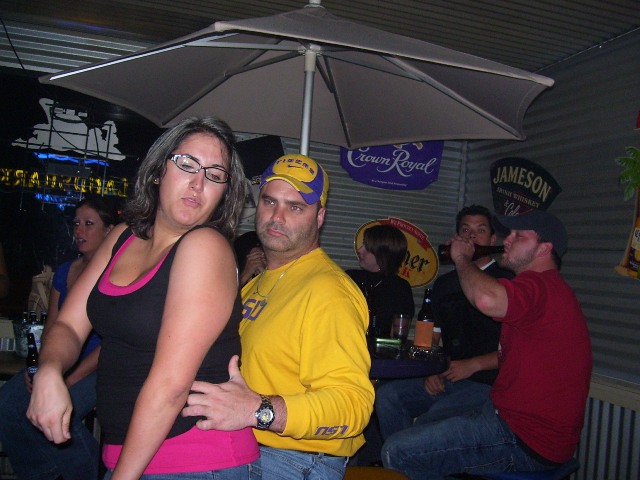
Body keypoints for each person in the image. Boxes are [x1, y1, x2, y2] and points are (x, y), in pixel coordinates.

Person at [27, 116, 260, 479]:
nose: (198, 183)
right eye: (187, 164)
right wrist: (49, 371)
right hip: (130, 455)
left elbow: (170, 386)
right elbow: (69, 325)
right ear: (157, 171)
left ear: (224, 193)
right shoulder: (122, 237)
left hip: (194, 459)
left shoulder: (205, 247)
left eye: (215, 175)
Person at [182, 153, 375, 480]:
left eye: (295, 207)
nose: (277, 216)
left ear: (319, 217)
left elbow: (352, 406)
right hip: (242, 444)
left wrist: (257, 410)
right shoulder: (255, 284)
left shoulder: (329, 291)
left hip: (295, 460)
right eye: (269, 201)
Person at [382, 209, 592, 479]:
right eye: (509, 233)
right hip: (505, 417)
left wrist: (461, 258)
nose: (507, 240)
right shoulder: (543, 289)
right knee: (395, 405)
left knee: (399, 451)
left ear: (544, 248)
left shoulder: (541, 286)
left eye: (518, 235)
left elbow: (486, 300)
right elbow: (511, 355)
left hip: (525, 439)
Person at [0, 196, 116, 480]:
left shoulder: (117, 275)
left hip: (99, 367)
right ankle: (41, 474)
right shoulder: (64, 271)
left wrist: (68, 379)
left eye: (89, 224)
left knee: (64, 412)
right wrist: (40, 370)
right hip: (60, 361)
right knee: (8, 403)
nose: (79, 231)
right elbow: (53, 328)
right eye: (76, 223)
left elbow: (111, 343)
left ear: (110, 231)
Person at [376, 205, 514, 441]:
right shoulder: (444, 283)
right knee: (387, 396)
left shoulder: (506, 280)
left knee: (431, 421)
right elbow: (430, 335)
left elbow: (518, 348)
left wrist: (473, 365)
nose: (472, 236)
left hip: (489, 383)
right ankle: (400, 457)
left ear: (492, 240)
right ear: (456, 238)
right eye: (465, 230)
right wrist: (430, 370)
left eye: (480, 230)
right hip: (448, 376)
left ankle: (408, 453)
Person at [346, 224, 415, 337]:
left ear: (382, 254)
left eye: (367, 247)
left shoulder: (399, 288)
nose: (359, 250)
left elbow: (398, 336)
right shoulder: (350, 278)